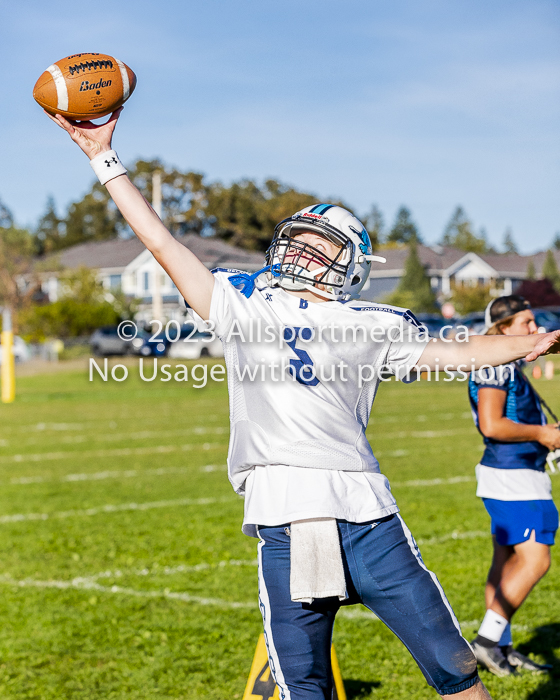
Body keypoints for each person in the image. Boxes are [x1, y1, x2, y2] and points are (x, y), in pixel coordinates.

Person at [45, 108, 560, 699]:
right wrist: (104, 161)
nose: (304, 253)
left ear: (352, 265)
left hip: (369, 517)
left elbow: (458, 352)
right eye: (299, 241)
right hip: (286, 520)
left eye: (321, 246)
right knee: (302, 684)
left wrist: (535, 339)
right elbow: (159, 241)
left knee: (452, 663)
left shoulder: (371, 321)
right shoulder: (243, 305)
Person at [468, 296, 560, 677]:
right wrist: (543, 433)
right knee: (537, 560)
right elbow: (491, 425)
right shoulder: (496, 364)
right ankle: (487, 642)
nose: (532, 330)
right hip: (514, 476)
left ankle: (500, 648)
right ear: (502, 329)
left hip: (516, 473)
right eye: (524, 323)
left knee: (505, 562)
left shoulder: (508, 364)